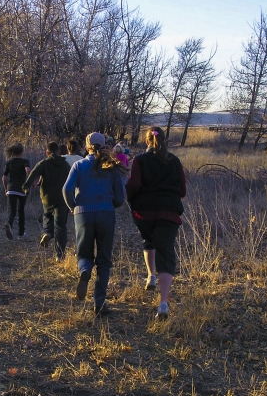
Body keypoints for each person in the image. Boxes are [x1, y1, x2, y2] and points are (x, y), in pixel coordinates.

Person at [126, 126, 186, 320]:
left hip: (144, 212)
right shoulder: (175, 161)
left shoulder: (140, 160)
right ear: (164, 140)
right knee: (166, 253)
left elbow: (134, 184)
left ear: (146, 141)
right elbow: (182, 190)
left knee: (148, 240)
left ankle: (151, 276)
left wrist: (132, 201)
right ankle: (163, 303)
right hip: (169, 212)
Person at [63, 132, 125, 315]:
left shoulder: (79, 165)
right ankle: (99, 302)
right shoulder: (111, 167)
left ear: (86, 146)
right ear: (104, 146)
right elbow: (120, 198)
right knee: (104, 260)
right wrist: (110, 205)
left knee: (84, 252)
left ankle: (84, 270)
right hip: (106, 213)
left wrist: (73, 207)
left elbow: (66, 189)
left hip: (83, 214)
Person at [23, 141, 70, 261]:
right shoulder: (65, 165)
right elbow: (72, 179)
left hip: (47, 198)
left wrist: (26, 187)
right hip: (62, 198)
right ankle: (59, 255)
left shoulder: (44, 163)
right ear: (59, 152)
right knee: (60, 226)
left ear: (47, 152)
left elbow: (32, 174)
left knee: (47, 216)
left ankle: (48, 233)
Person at [2, 143, 31, 240]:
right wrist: (32, 181)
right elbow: (27, 170)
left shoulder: (9, 162)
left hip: (11, 189)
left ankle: (9, 224)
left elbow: (4, 177)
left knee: (12, 210)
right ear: (22, 152)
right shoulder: (25, 161)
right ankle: (21, 234)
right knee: (21, 210)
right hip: (21, 189)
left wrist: (6, 188)